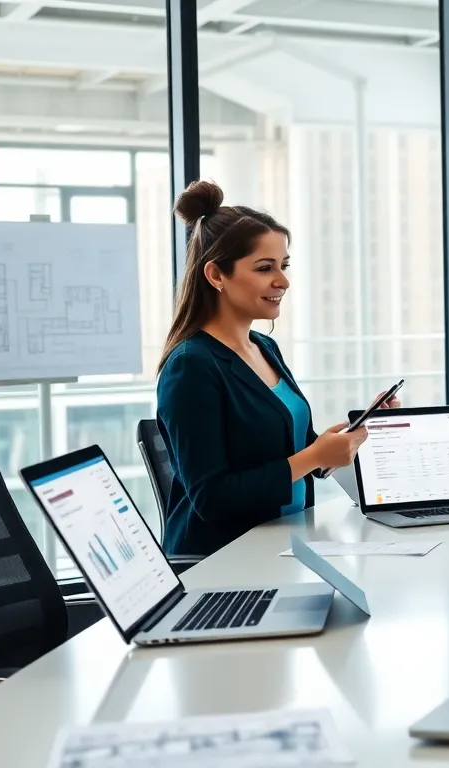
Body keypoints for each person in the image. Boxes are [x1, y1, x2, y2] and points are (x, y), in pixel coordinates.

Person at [156, 180, 398, 557]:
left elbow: (289, 452)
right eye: (264, 268)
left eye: (284, 266)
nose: (282, 281)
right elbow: (212, 498)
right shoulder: (191, 366)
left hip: (285, 543)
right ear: (216, 275)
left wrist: (349, 438)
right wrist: (314, 456)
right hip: (224, 560)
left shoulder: (264, 347)